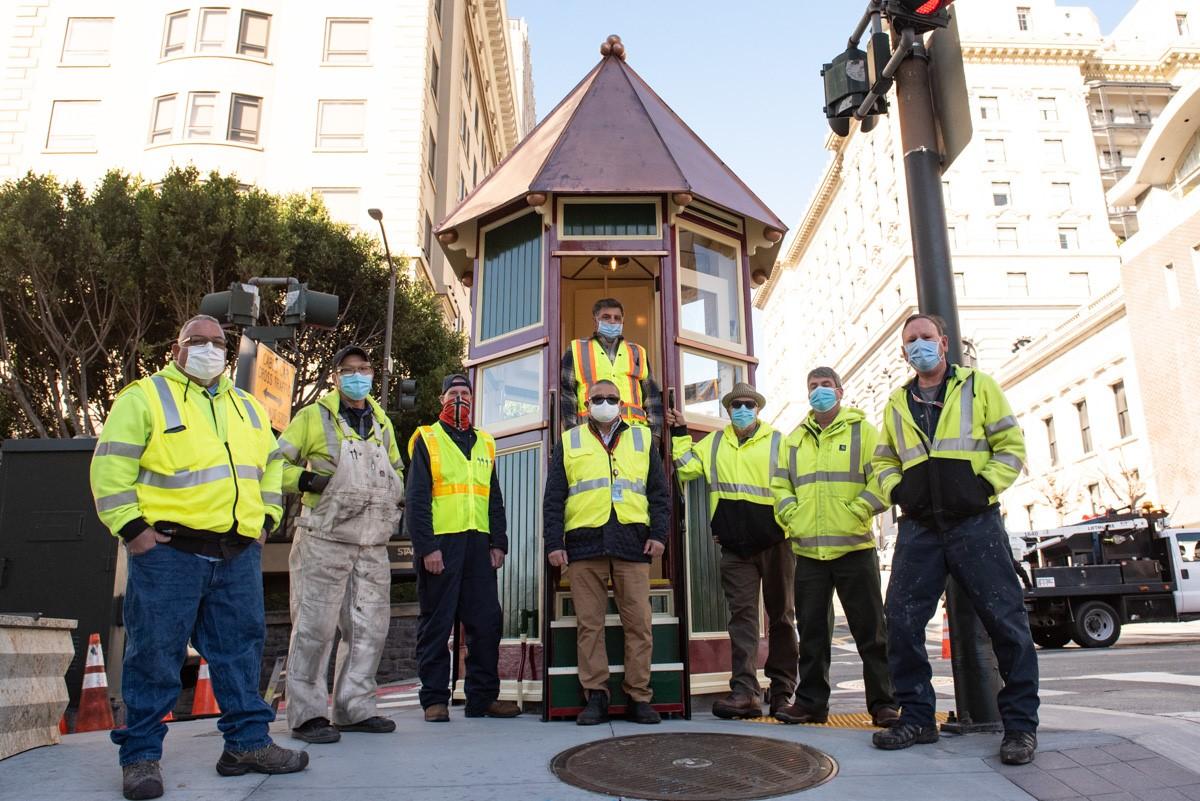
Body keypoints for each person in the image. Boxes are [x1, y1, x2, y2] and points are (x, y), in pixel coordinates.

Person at [90, 314, 307, 801]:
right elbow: (110, 467)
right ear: (177, 347)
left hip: (235, 553)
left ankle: (247, 745)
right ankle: (141, 757)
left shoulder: (247, 407)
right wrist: (132, 530)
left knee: (241, 651)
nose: (209, 349)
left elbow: (270, 467)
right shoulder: (143, 397)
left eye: (218, 342)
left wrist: (266, 520)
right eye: (198, 341)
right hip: (170, 552)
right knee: (155, 655)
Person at [872, 313, 1039, 764]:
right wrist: (900, 491)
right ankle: (918, 718)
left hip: (975, 523)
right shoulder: (895, 402)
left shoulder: (978, 386)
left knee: (1006, 623)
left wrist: (982, 487)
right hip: (920, 527)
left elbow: (1011, 445)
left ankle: (1020, 728)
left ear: (944, 343)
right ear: (903, 351)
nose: (919, 345)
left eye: (926, 337)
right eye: (911, 341)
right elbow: (882, 461)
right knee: (902, 621)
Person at [278, 345, 405, 744]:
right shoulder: (312, 417)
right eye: (348, 370)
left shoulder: (382, 422)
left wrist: (394, 494)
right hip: (324, 537)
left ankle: (355, 707)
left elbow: (396, 469)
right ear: (335, 376)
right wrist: (307, 481)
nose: (357, 375)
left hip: (371, 543)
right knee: (314, 628)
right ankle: (306, 715)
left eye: (363, 369)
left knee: (369, 629)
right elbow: (275, 464)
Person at [771, 368, 898, 728]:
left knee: (871, 631)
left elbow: (884, 477)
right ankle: (811, 703)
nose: (819, 392)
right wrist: (792, 518)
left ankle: (884, 703)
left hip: (854, 547)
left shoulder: (864, 431)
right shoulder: (794, 440)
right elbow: (780, 487)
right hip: (809, 551)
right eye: (812, 386)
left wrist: (858, 510)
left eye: (825, 386)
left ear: (840, 391)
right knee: (811, 633)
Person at [666, 383, 797, 719]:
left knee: (781, 618)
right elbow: (686, 467)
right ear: (727, 410)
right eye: (736, 404)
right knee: (742, 621)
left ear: (758, 408)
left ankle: (782, 693)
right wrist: (680, 431)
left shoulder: (780, 442)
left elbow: (798, 485)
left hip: (776, 543)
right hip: (736, 550)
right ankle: (745, 692)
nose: (742, 409)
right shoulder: (713, 443)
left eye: (748, 404)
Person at [544, 379, 669, 725]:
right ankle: (596, 697)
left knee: (640, 625)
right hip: (584, 545)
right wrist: (554, 543)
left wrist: (660, 536)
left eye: (611, 398)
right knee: (590, 626)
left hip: (633, 543)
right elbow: (554, 498)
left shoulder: (642, 439)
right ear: (586, 403)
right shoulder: (570, 441)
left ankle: (638, 697)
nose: (604, 403)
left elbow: (659, 494)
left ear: (622, 402)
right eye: (598, 398)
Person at [405, 374, 520, 722]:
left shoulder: (485, 442)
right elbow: (417, 498)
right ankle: (435, 700)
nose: (460, 398)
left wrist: (498, 542)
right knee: (436, 624)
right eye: (453, 393)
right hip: (442, 544)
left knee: (486, 623)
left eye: (465, 393)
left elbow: (493, 497)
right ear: (441, 398)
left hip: (479, 544)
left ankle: (482, 698)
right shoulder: (427, 438)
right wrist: (427, 548)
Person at [559, 297, 664, 434]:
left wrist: (655, 434)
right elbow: (567, 395)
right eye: (606, 317)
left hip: (634, 432)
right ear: (595, 321)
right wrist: (571, 431)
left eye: (617, 318)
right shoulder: (576, 349)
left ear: (623, 322)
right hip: (590, 431)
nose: (612, 321)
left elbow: (652, 396)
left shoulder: (637, 352)